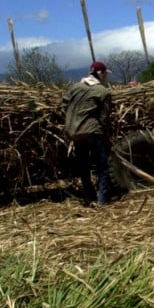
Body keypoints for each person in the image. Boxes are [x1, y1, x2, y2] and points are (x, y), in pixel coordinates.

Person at [63, 60, 113, 205]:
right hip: (92, 131)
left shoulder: (74, 87)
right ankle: (102, 200)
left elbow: (65, 103)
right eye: (105, 74)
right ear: (101, 74)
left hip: (74, 131)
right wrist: (106, 135)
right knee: (103, 166)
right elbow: (104, 118)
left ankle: (89, 196)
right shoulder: (103, 91)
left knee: (83, 165)